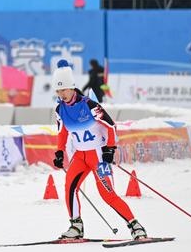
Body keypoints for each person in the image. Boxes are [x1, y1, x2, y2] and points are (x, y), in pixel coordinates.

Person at [51, 59, 147, 240]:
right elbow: (62, 131)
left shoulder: (89, 105)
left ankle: (135, 225)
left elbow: (110, 126)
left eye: (63, 89)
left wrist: (109, 149)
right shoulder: (59, 109)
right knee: (70, 188)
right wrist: (59, 151)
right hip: (80, 155)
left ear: (72, 87)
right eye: (58, 90)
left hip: (97, 155)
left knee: (107, 194)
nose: (61, 94)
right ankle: (76, 226)